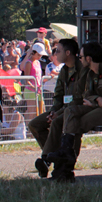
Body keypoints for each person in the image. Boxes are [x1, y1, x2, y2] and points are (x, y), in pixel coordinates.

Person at [47, 42, 102, 183]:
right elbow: (86, 95)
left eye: (81, 57)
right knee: (70, 111)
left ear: (88, 59)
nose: (79, 59)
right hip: (98, 106)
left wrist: (96, 101)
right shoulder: (90, 73)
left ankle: (66, 166)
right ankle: (66, 152)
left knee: (81, 122)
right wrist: (98, 99)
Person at [29, 38, 86, 180]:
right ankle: (55, 156)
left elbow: (78, 99)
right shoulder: (64, 71)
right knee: (34, 124)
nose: (55, 53)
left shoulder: (82, 71)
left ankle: (46, 159)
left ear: (68, 53)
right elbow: (59, 95)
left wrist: (57, 113)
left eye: (58, 51)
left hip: (76, 110)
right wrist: (54, 110)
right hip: (62, 109)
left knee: (58, 123)